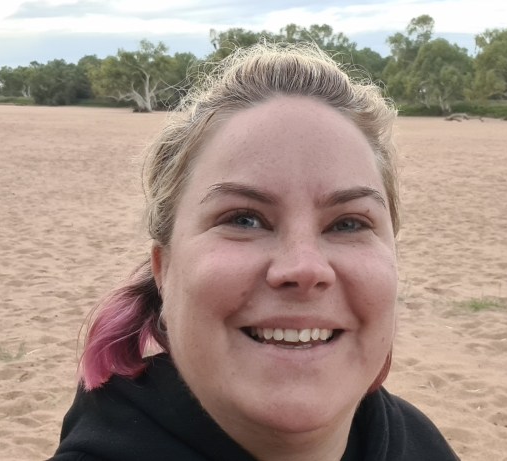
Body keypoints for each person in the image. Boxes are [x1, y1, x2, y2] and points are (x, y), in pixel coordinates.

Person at [50, 43, 460, 461]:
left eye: (348, 224)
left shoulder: (421, 443)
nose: (304, 268)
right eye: (244, 219)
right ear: (164, 270)